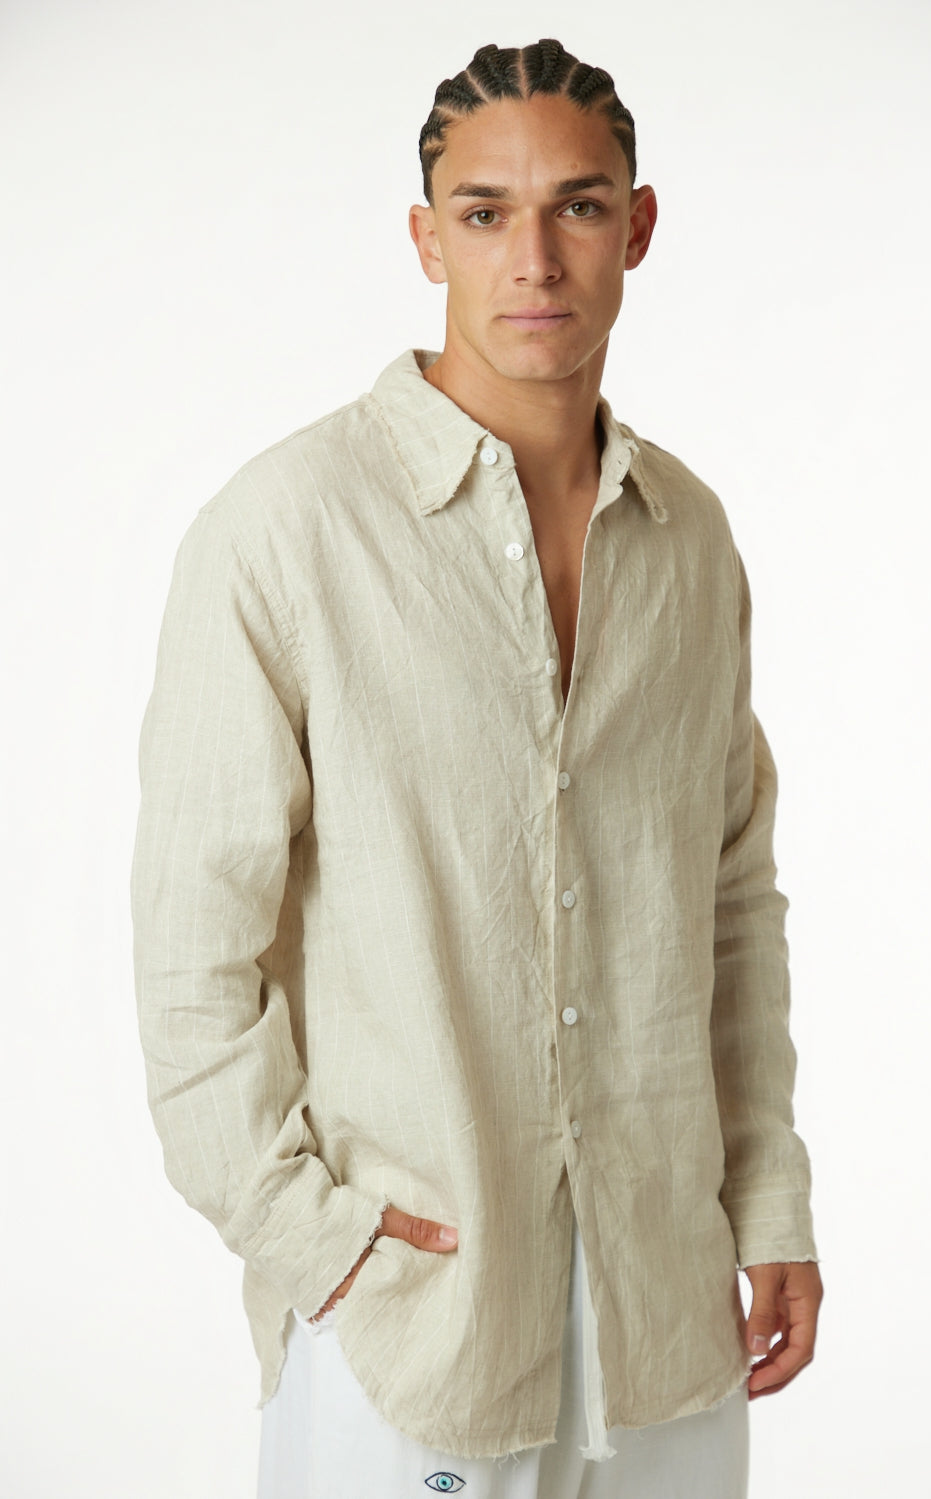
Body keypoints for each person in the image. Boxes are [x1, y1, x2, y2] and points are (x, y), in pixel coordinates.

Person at [132, 37, 822, 1499]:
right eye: (486, 211)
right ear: (425, 236)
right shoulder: (285, 532)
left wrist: (768, 1200)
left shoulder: (691, 540)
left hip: (666, 1308)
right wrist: (315, 1244)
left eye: (579, 207)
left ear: (638, 226)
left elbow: (731, 902)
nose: (536, 260)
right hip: (412, 1329)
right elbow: (193, 958)